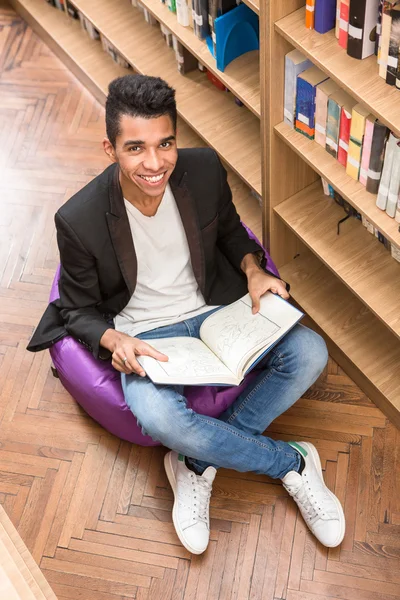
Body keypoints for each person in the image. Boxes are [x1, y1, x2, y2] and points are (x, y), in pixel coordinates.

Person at [28, 74, 345, 555]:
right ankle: (292, 463)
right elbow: (75, 308)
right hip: (148, 334)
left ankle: (194, 463)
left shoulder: (203, 170)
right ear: (109, 149)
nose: (154, 164)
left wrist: (253, 269)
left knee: (310, 352)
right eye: (135, 148)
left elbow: (233, 233)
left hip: (216, 309)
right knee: (158, 417)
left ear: (177, 139)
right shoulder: (79, 218)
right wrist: (116, 342)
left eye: (165, 143)